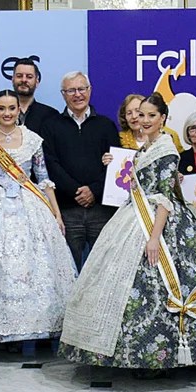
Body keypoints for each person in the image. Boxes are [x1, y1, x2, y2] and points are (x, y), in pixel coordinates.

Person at [61, 93, 196, 375]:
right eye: (141, 115)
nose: (144, 121)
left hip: (160, 225)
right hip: (134, 217)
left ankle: (159, 355)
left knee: (155, 286)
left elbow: (165, 197)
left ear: (163, 119)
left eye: (151, 116)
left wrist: (154, 238)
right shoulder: (145, 149)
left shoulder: (166, 149)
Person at [0, 91, 75, 348]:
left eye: (12, 108)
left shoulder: (33, 140)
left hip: (29, 205)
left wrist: (56, 214)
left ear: (18, 111)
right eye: (2, 108)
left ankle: (35, 327)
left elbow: (43, 178)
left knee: (33, 266)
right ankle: (1, 335)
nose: (7, 113)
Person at [42, 71, 122, 269]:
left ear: (90, 90)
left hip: (101, 210)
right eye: (71, 90)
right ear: (63, 94)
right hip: (67, 210)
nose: (77, 94)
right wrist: (76, 191)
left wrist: (93, 191)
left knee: (103, 268)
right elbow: (50, 164)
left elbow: (116, 166)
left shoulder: (106, 125)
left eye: (81, 89)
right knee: (68, 270)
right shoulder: (51, 125)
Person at [0, 57, 60, 134]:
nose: (24, 80)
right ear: (13, 80)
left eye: (29, 77)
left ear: (37, 81)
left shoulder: (50, 115)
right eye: (19, 76)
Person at [118, 93, 182, 152]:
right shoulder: (119, 138)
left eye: (138, 111)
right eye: (129, 113)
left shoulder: (170, 136)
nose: (134, 116)